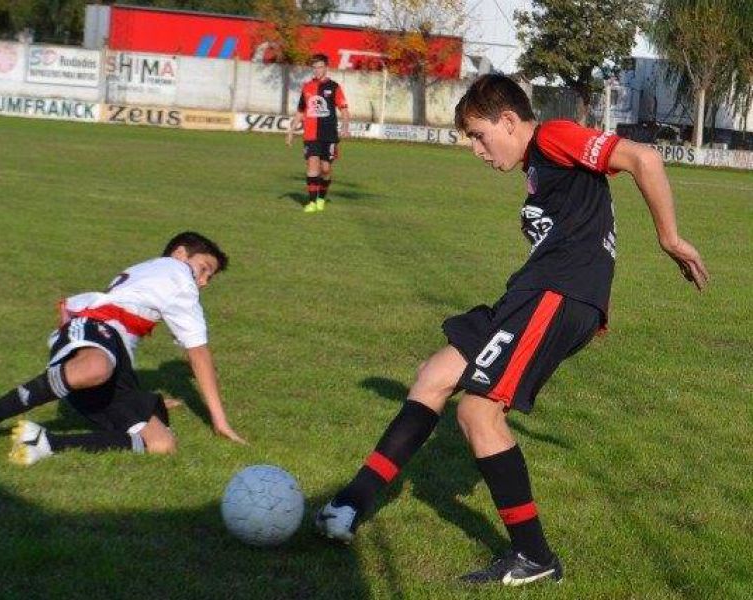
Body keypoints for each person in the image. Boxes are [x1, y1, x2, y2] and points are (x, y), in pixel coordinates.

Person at [315, 74, 709, 586]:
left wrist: (670, 238)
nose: (477, 150)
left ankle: (533, 555)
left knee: (479, 411)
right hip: (534, 296)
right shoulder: (540, 165)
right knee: (434, 374)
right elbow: (587, 224)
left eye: (479, 136)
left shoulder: (552, 138)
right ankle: (350, 503)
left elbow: (644, 159)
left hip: (553, 295)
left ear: (508, 120)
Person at [0, 231, 246, 465]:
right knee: (95, 368)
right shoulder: (177, 274)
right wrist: (219, 420)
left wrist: (154, 400)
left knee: (161, 444)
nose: (203, 281)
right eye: (204, 269)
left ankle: (43, 443)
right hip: (93, 332)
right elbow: (198, 353)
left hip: (106, 348)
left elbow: (181, 352)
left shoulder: (156, 275)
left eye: (209, 278)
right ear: (179, 254)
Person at [286, 53, 350, 213]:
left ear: (326, 68)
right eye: (314, 67)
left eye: (320, 67)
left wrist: (345, 127)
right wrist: (291, 131)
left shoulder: (334, 87)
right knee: (312, 165)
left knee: (326, 169)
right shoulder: (307, 87)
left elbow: (344, 109)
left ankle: (321, 197)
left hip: (329, 135)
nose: (317, 70)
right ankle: (312, 202)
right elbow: (301, 111)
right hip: (310, 135)